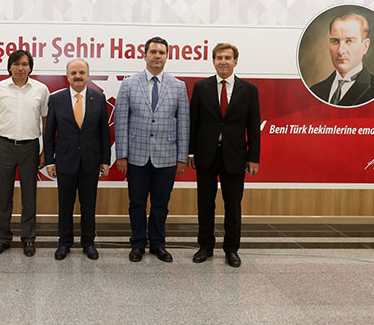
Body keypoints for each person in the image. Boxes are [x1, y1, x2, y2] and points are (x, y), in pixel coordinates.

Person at [114, 37, 189, 263]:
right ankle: (137, 243)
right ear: (145, 55)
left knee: (160, 204)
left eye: (162, 52)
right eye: (154, 52)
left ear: (167, 57)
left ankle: (158, 243)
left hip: (166, 156)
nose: (157, 56)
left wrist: (182, 157)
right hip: (136, 156)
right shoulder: (129, 84)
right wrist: (122, 155)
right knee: (136, 202)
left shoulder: (178, 86)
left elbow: (183, 123)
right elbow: (121, 121)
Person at [188, 43, 260, 268]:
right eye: (219, 57)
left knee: (233, 206)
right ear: (213, 61)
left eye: (228, 58)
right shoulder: (201, 88)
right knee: (205, 204)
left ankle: (231, 249)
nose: (223, 61)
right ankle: (205, 247)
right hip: (205, 155)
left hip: (235, 156)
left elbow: (253, 126)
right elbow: (193, 122)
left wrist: (253, 157)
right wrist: (190, 152)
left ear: (235, 61)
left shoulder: (249, 90)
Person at [44, 59, 111, 261]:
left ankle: (88, 243)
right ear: (67, 76)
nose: (78, 76)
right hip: (65, 161)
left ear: (88, 75)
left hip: (91, 161)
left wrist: (105, 160)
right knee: (65, 205)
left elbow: (104, 132)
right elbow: (49, 134)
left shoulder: (98, 98)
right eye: (73, 73)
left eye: (81, 72)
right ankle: (64, 242)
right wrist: (50, 161)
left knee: (88, 206)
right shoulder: (56, 99)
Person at [0, 50, 50, 257]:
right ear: (10, 67)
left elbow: (46, 123)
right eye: (16, 64)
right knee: (3, 195)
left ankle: (28, 238)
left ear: (30, 67)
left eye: (24, 64)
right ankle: (3, 238)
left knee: (29, 195)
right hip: (5, 146)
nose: (20, 68)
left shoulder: (41, 89)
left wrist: (44, 152)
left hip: (30, 148)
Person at [310, 12, 374, 106]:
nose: (340, 51)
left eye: (349, 41)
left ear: (365, 46)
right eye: (335, 41)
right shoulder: (315, 90)